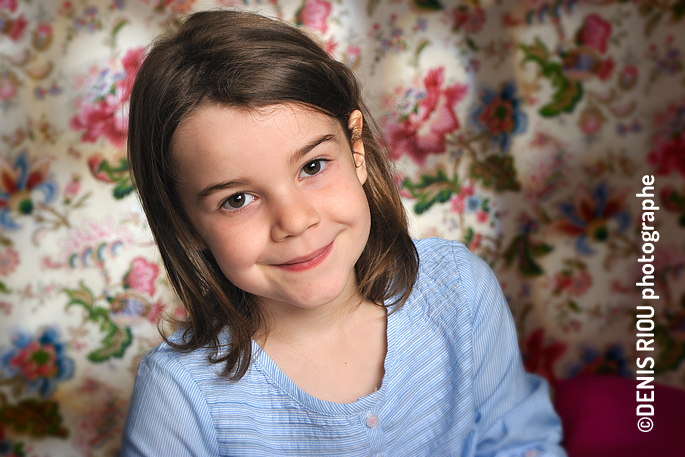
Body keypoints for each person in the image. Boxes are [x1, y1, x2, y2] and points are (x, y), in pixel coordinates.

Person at [121, 8, 565, 457]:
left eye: (312, 167)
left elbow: (521, 442)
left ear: (356, 149)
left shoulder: (460, 292)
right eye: (237, 199)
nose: (295, 222)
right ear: (184, 223)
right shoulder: (180, 394)